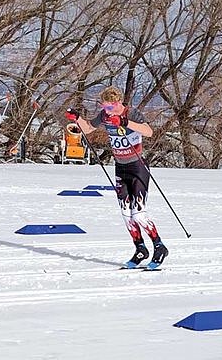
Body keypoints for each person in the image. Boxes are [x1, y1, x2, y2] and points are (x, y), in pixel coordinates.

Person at [65, 86, 168, 269]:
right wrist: (77, 118)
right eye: (104, 107)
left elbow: (149, 131)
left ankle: (159, 246)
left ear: (118, 102)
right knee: (126, 215)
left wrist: (124, 122)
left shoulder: (132, 113)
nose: (107, 111)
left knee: (138, 214)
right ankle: (140, 249)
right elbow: (88, 128)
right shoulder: (104, 116)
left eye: (110, 107)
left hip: (137, 168)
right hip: (121, 168)